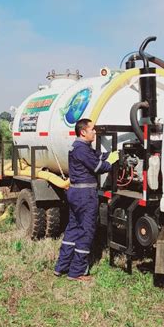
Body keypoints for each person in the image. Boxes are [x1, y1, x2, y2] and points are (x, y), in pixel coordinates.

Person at [54, 118, 118, 282]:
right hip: (85, 195)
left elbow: (97, 156)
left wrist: (108, 155)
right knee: (86, 231)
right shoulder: (82, 149)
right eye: (92, 129)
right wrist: (111, 162)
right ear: (83, 132)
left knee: (72, 229)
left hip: (76, 193)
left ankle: (61, 267)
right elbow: (98, 167)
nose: (95, 132)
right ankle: (76, 272)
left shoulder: (79, 147)